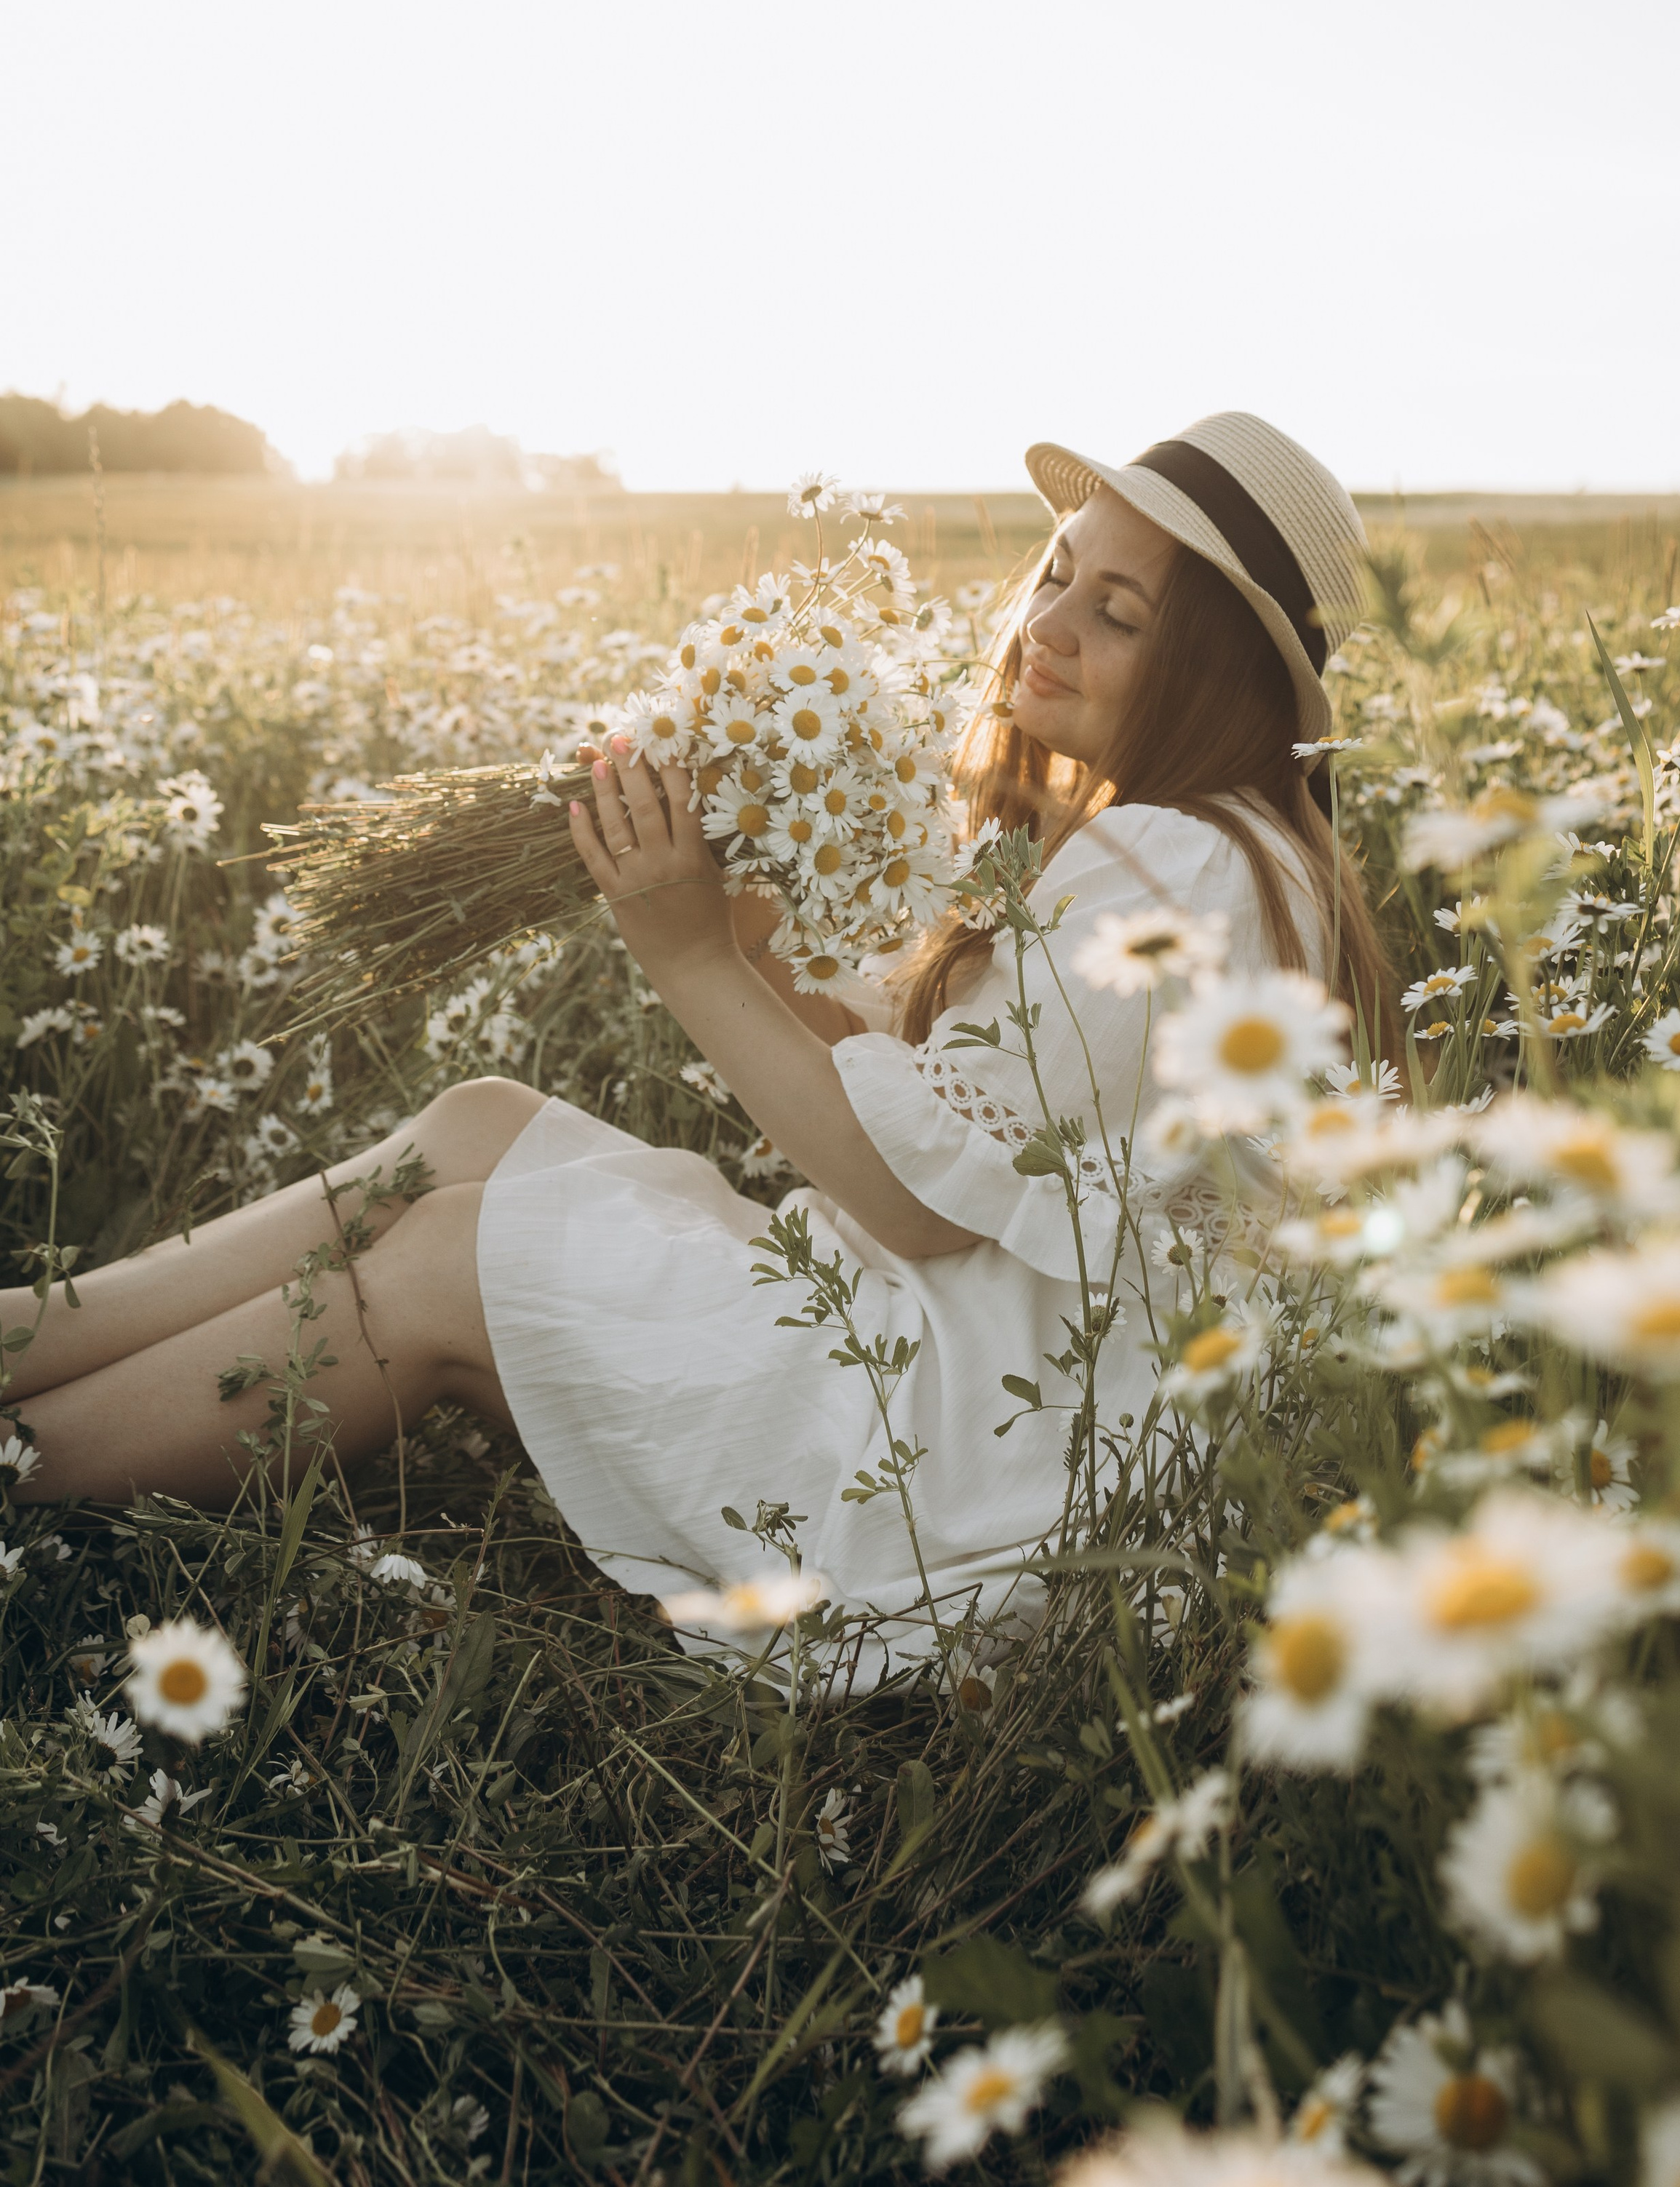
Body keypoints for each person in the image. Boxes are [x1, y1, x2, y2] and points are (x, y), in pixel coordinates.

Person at [2, 413, 1390, 1669]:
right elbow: (960, 1119)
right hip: (978, 1359)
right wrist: (744, 929)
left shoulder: (1171, 868)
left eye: (1122, 611)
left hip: (975, 1449)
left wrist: (689, 957)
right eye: (1062, 571)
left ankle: (24, 1463)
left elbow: (918, 1208)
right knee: (481, 1121)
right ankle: (25, 1343)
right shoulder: (1197, 847)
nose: (1052, 620)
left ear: (1214, 673)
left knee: (448, 1259)